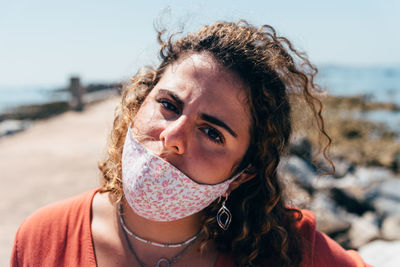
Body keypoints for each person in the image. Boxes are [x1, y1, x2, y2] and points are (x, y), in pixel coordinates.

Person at [11, 21, 371, 267]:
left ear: (242, 175)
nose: (173, 137)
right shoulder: (45, 238)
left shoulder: (288, 251)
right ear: (137, 106)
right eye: (168, 105)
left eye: (213, 133)